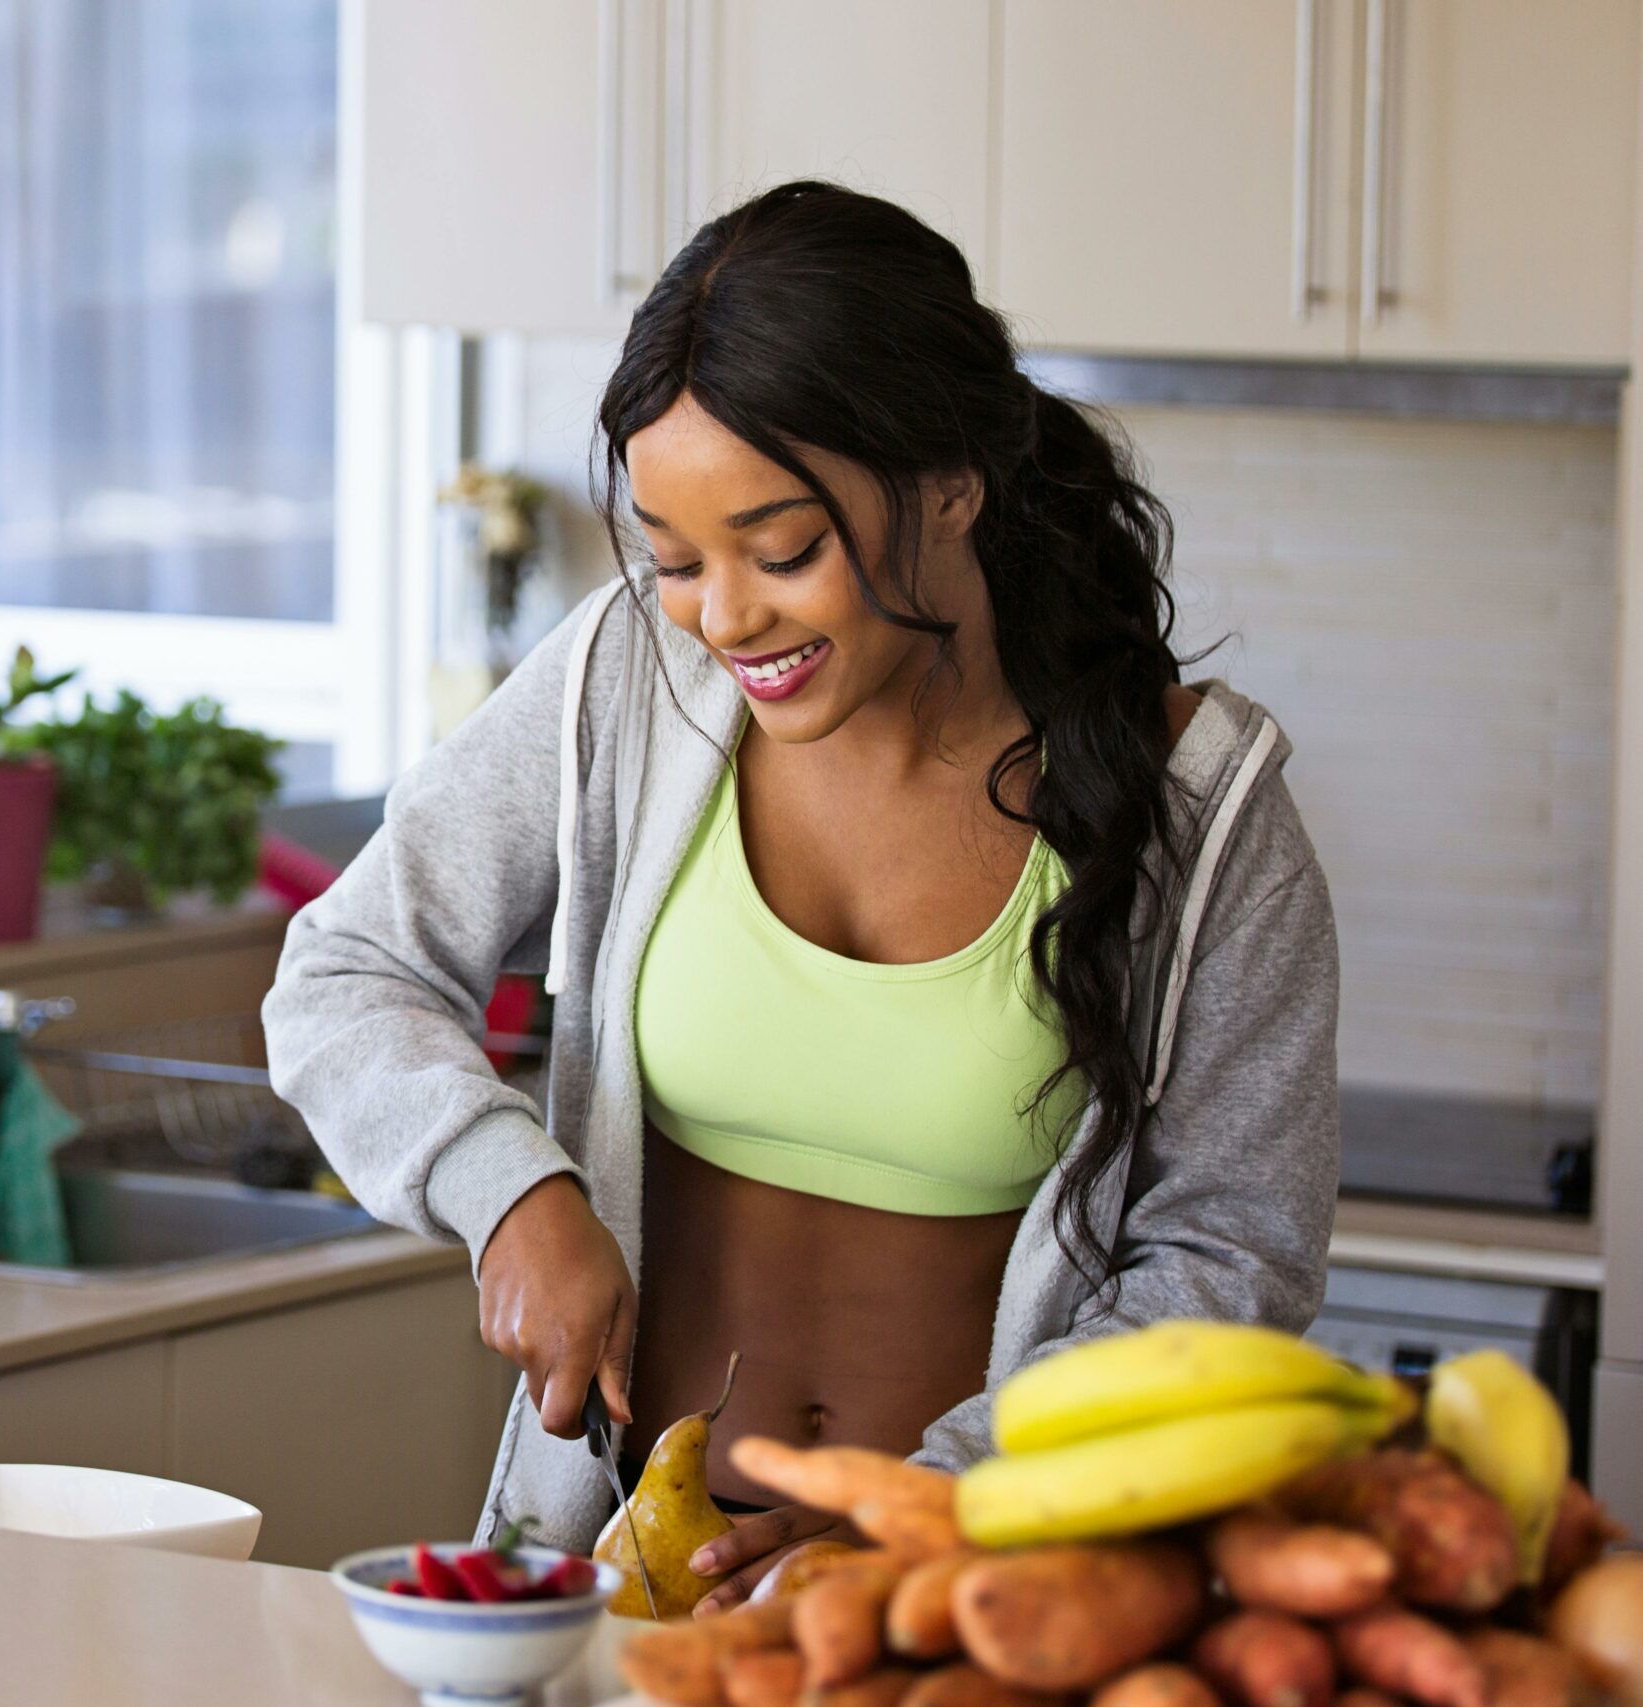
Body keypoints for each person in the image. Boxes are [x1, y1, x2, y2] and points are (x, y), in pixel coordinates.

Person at [263, 181, 1339, 1611]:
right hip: (626, 1590)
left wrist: (928, 1517)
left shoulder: (1198, 806)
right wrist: (511, 1188)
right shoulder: (625, 684)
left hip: (974, 1606)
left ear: (952, 483)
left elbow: (1228, 1266)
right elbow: (345, 972)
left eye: (781, 551)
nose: (725, 619)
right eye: (674, 560)